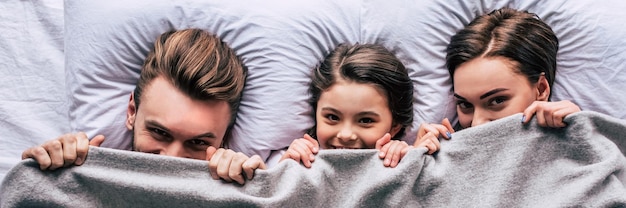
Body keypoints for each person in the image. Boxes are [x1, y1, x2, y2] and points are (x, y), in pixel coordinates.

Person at [21, 28, 264, 185]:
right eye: (159, 132)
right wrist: (42, 178)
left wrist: (258, 189)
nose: (172, 159)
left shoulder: (240, 189)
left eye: (198, 142)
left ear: (224, 140)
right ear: (132, 113)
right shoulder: (74, 175)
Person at [414, 7, 581, 141]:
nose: (477, 124)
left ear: (541, 89)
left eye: (497, 100)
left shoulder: (580, 142)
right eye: (465, 105)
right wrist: (416, 165)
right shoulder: (438, 157)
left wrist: (582, 130)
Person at [278, 43, 441, 168]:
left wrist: (413, 164)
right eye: (332, 117)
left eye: (365, 120)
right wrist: (283, 174)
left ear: (395, 126)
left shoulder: (402, 161)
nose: (346, 135)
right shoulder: (298, 163)